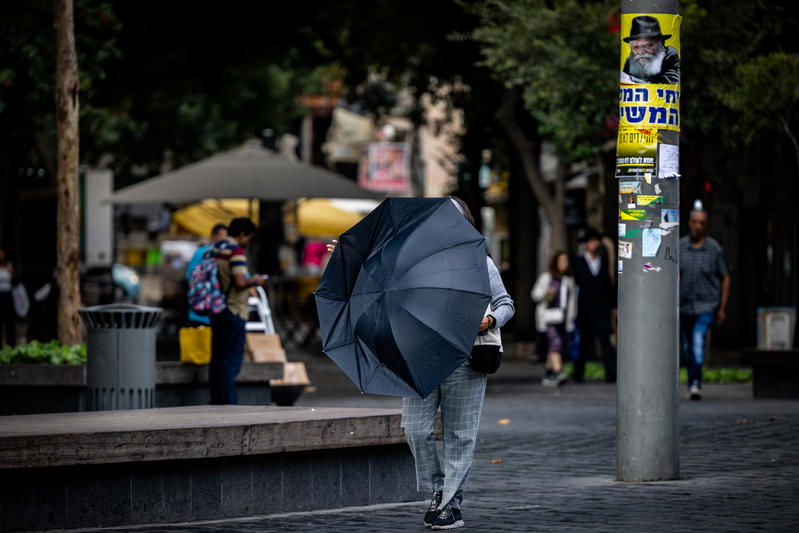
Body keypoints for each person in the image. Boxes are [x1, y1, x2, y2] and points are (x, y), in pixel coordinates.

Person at [326, 197, 515, 530]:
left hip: (465, 358)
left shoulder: (478, 263)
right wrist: (348, 259)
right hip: (417, 356)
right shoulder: (410, 261)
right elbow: (377, 280)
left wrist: (489, 320)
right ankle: (439, 492)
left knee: (459, 435)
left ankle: (449, 506)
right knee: (414, 429)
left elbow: (505, 303)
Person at [209, 218, 267, 405]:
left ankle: (217, 400)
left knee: (217, 359)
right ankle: (228, 404)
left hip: (216, 307)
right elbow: (240, 281)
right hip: (234, 309)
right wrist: (256, 280)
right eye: (248, 237)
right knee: (231, 362)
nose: (247, 241)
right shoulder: (236, 251)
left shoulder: (217, 248)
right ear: (242, 235)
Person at [680, 209, 730, 400]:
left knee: (698, 342)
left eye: (701, 222)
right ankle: (692, 379)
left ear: (705, 226)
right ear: (689, 223)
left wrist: (722, 307)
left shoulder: (714, 249)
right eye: (694, 222)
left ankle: (696, 383)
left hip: (705, 306)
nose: (697, 226)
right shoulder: (680, 246)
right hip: (683, 306)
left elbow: (725, 277)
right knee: (686, 348)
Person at [572, 228, 618, 383]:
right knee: (584, 342)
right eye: (590, 241)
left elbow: (610, 285)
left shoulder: (604, 261)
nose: (593, 244)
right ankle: (579, 373)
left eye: (595, 241)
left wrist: (613, 306)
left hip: (602, 307)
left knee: (606, 341)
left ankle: (611, 373)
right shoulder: (578, 262)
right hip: (584, 307)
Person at [532, 251, 577, 387]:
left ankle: (549, 374)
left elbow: (572, 302)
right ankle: (558, 371)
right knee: (555, 342)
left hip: (563, 318)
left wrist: (572, 318)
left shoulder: (568, 280)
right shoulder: (546, 277)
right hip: (548, 317)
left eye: (566, 261)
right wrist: (546, 293)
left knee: (555, 346)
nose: (564, 264)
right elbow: (535, 295)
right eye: (561, 261)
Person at [185, 223, 228, 326]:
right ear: (214, 236)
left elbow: (189, 276)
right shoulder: (202, 252)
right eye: (223, 237)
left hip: (208, 311)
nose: (225, 241)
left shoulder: (202, 252)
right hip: (204, 313)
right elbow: (190, 276)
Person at [621, 15, 680, 84]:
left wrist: (630, 79)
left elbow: (670, 83)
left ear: (660, 44)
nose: (641, 52)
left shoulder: (670, 55)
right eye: (636, 47)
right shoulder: (630, 60)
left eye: (648, 46)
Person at [0, 248, 15, 347]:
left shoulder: (8, 266)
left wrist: (10, 270)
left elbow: (14, 277)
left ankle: (11, 345)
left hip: (8, 294)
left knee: (9, 320)